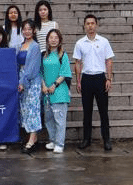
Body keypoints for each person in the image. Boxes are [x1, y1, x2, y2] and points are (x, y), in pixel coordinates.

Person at [73, 13, 115, 151]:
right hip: (86, 78)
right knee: (87, 111)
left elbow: (109, 60)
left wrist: (109, 78)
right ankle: (86, 139)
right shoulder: (80, 43)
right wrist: (78, 81)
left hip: (100, 78)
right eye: (88, 23)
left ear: (96, 25)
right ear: (84, 26)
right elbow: (77, 63)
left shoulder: (104, 41)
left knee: (103, 111)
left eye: (92, 23)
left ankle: (106, 139)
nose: (90, 26)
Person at [41, 29, 71, 154]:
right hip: (46, 92)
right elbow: (40, 72)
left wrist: (54, 84)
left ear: (59, 40)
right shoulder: (44, 55)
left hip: (59, 92)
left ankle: (59, 143)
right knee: (49, 119)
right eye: (51, 37)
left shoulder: (63, 55)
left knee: (59, 120)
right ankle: (52, 140)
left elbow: (64, 73)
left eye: (56, 38)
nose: (53, 40)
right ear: (47, 40)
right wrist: (43, 85)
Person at [17, 19, 42, 154]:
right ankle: (33, 138)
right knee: (25, 110)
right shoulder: (21, 45)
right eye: (24, 29)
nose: (26, 31)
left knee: (33, 109)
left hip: (32, 82)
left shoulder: (35, 46)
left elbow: (32, 68)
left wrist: (23, 82)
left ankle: (31, 141)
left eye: (29, 29)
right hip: (22, 79)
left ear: (34, 31)